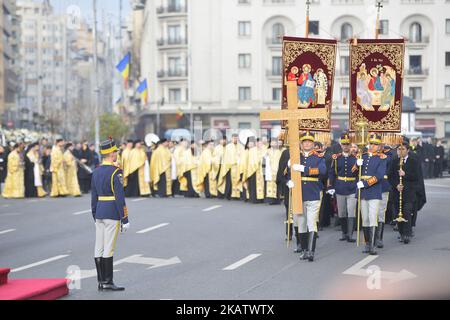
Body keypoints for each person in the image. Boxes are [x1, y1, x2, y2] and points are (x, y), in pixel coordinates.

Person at [91, 138, 129, 291]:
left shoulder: (96, 171)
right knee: (109, 248)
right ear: (111, 154)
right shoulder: (115, 172)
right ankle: (108, 281)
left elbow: (93, 197)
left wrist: (94, 214)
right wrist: (125, 218)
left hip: (100, 211)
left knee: (98, 247)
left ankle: (101, 281)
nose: (116, 154)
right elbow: (120, 197)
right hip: (112, 212)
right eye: (115, 152)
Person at [289, 132, 326, 262]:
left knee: (311, 223)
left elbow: (321, 171)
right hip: (299, 194)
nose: (307, 144)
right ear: (301, 143)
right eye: (304, 142)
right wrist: (289, 180)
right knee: (301, 224)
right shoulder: (295, 157)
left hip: (313, 193)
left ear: (313, 144)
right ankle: (304, 250)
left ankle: (311, 251)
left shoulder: (319, 157)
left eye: (309, 142)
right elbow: (287, 173)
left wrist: (303, 168)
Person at [356, 133, 387, 255]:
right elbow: (355, 172)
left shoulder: (382, 158)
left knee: (373, 217)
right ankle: (367, 243)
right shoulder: (362, 155)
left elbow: (379, 176)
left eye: (376, 145)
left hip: (374, 191)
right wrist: (357, 164)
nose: (373, 146)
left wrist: (365, 183)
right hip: (363, 192)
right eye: (372, 144)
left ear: (379, 146)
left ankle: (373, 245)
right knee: (365, 218)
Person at [328, 133, 358, 243]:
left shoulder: (355, 158)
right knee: (341, 212)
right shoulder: (336, 158)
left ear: (350, 145)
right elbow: (332, 173)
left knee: (351, 211)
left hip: (352, 187)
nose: (346, 146)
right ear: (341, 145)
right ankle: (344, 232)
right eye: (344, 144)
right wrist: (330, 186)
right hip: (340, 187)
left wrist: (359, 166)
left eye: (348, 144)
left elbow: (358, 174)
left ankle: (350, 234)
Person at [389, 137, 420, 244]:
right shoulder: (394, 161)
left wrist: (405, 174)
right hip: (397, 192)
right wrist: (396, 185)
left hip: (409, 192)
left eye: (402, 149)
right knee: (398, 213)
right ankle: (401, 233)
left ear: (408, 150)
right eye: (398, 149)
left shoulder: (413, 162)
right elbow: (390, 176)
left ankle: (407, 233)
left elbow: (416, 176)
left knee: (406, 212)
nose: (400, 151)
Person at [217, 134, 244, 200]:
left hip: (238, 167)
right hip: (230, 167)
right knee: (229, 182)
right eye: (234, 138)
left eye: (236, 138)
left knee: (239, 180)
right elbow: (226, 157)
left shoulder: (241, 146)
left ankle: (238, 195)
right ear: (231, 139)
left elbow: (243, 155)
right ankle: (229, 195)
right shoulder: (228, 147)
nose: (235, 139)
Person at [265, 138, 282, 205]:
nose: (273, 144)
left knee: (277, 185)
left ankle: (277, 200)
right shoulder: (267, 151)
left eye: (275, 142)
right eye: (272, 142)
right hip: (270, 171)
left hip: (277, 170)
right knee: (269, 185)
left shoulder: (279, 151)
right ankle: (270, 200)